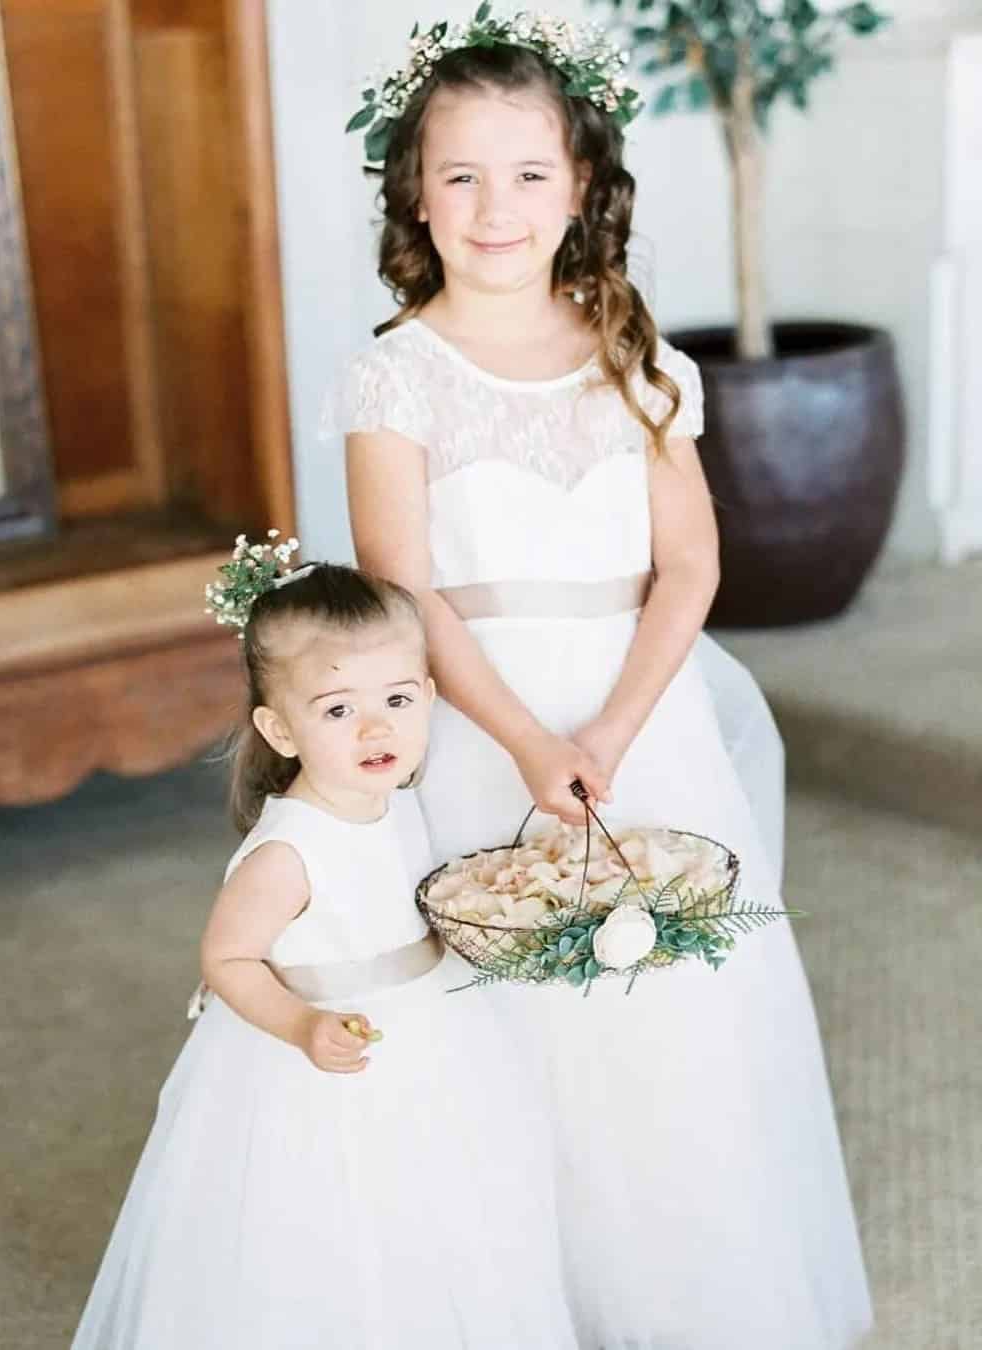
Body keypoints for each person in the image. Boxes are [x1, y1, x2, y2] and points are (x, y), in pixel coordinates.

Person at [334, 12, 872, 1349]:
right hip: (474, 725)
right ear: (415, 191)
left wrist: (615, 727)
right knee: (500, 1024)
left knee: (670, 1030)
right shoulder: (395, 376)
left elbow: (689, 564)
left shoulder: (638, 356)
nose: (494, 207)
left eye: (527, 175)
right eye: (460, 175)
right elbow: (407, 593)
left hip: (640, 720)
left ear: (580, 189)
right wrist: (525, 740)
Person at [71, 544, 578, 1350]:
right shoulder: (288, 852)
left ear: (431, 697)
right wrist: (304, 1027)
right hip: (322, 1056)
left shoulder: (397, 796)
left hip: (433, 1032)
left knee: (443, 1209)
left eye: (399, 699)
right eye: (338, 710)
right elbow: (229, 960)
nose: (378, 727)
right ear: (280, 727)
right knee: (328, 1226)